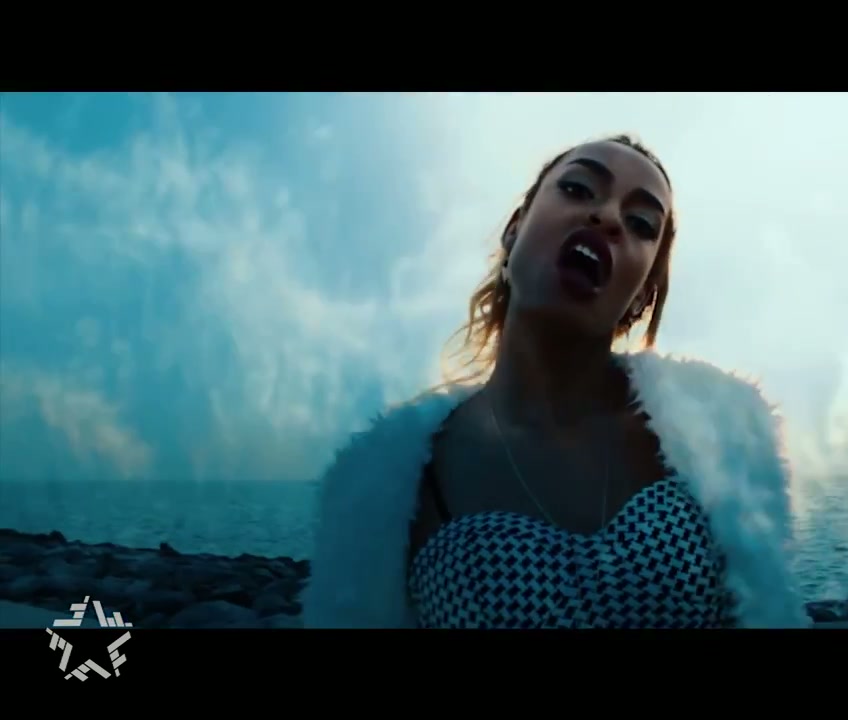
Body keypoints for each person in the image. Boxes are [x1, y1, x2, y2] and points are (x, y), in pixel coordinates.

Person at [302, 134, 809, 629]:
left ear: (641, 296)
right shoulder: (389, 487)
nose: (607, 217)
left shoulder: (721, 441)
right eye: (578, 189)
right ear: (514, 231)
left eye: (640, 223)